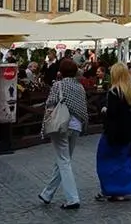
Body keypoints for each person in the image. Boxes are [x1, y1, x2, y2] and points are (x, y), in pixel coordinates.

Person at [39, 59, 88, 210]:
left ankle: (72, 198)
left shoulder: (58, 85)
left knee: (63, 160)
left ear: (60, 71)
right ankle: (47, 193)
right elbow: (83, 108)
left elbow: (50, 105)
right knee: (63, 160)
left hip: (61, 125)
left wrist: (43, 126)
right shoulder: (80, 87)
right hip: (76, 126)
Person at [96, 63, 131, 202]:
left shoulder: (114, 92)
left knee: (105, 161)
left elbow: (112, 113)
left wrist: (104, 110)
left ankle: (111, 189)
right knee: (124, 161)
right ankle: (123, 189)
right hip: (127, 132)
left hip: (113, 133)